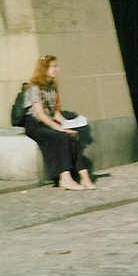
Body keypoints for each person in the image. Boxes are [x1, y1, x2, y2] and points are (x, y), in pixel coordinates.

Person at [24, 55, 96, 190]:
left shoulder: (53, 85)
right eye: (54, 66)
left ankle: (84, 177)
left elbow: (56, 112)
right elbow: (40, 114)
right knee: (62, 137)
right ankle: (65, 178)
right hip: (34, 125)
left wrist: (67, 124)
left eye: (56, 66)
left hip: (48, 122)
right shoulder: (34, 87)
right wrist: (59, 128)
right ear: (44, 69)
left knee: (72, 137)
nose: (57, 69)